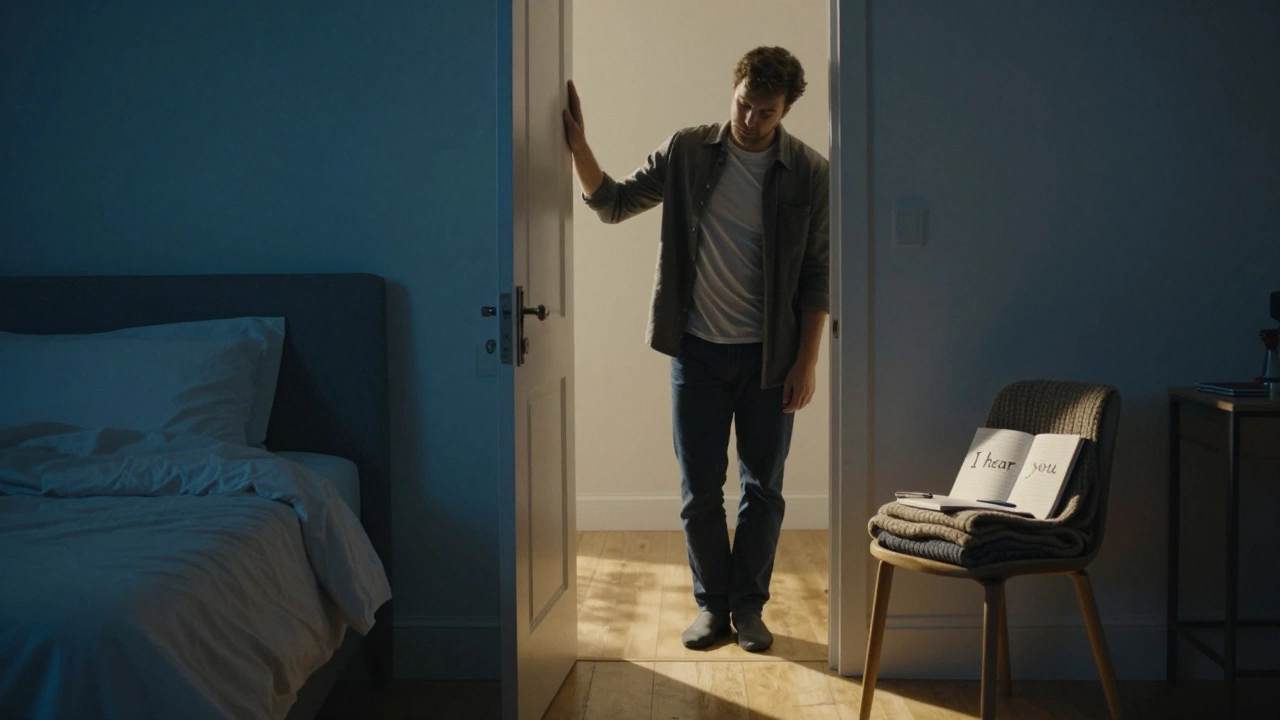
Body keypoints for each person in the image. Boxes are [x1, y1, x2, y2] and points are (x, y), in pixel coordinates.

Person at [562, 46, 829, 652]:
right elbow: (615, 203)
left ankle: (750, 609)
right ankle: (711, 608)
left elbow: (818, 273)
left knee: (763, 488)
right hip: (698, 353)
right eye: (743, 104)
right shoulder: (688, 151)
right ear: (733, 88)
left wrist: (807, 361)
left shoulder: (810, 172)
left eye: (766, 112)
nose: (750, 120)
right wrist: (580, 147)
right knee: (699, 488)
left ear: (786, 110)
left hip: (771, 357)